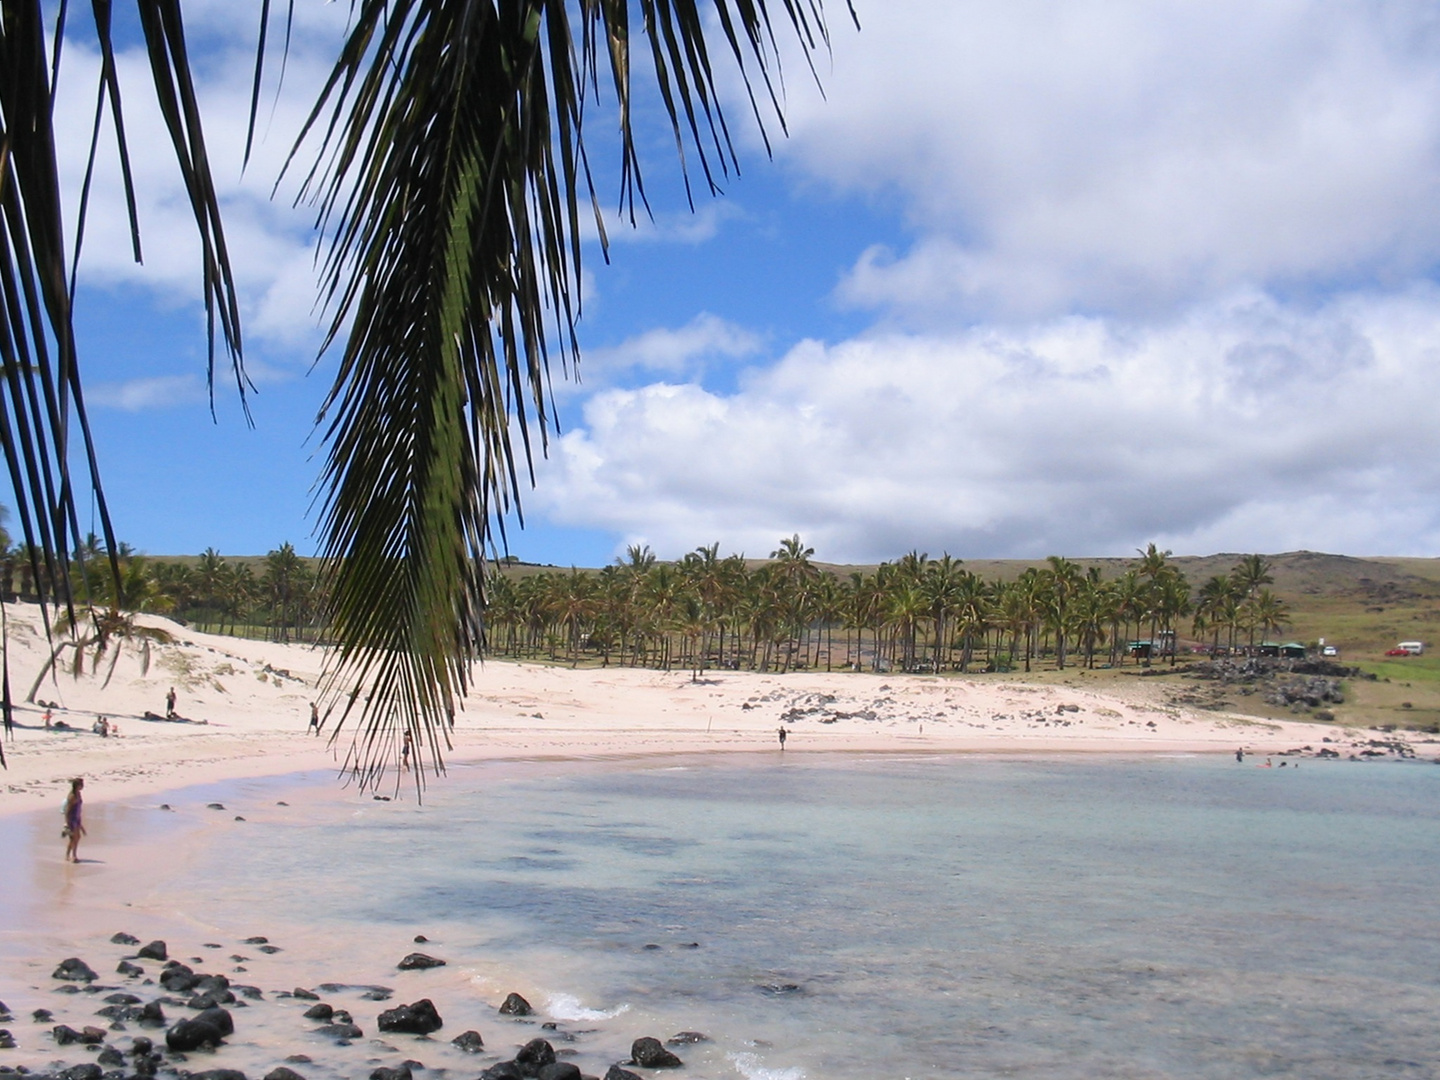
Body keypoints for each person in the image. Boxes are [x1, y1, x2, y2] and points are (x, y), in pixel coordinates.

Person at [63, 778, 86, 862]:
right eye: (81, 784)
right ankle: (71, 855)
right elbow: (67, 810)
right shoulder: (72, 796)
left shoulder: (78, 794)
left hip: (77, 817)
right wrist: (67, 822)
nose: (83, 786)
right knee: (73, 838)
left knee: (77, 837)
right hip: (72, 818)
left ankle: (72, 855)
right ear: (77, 786)